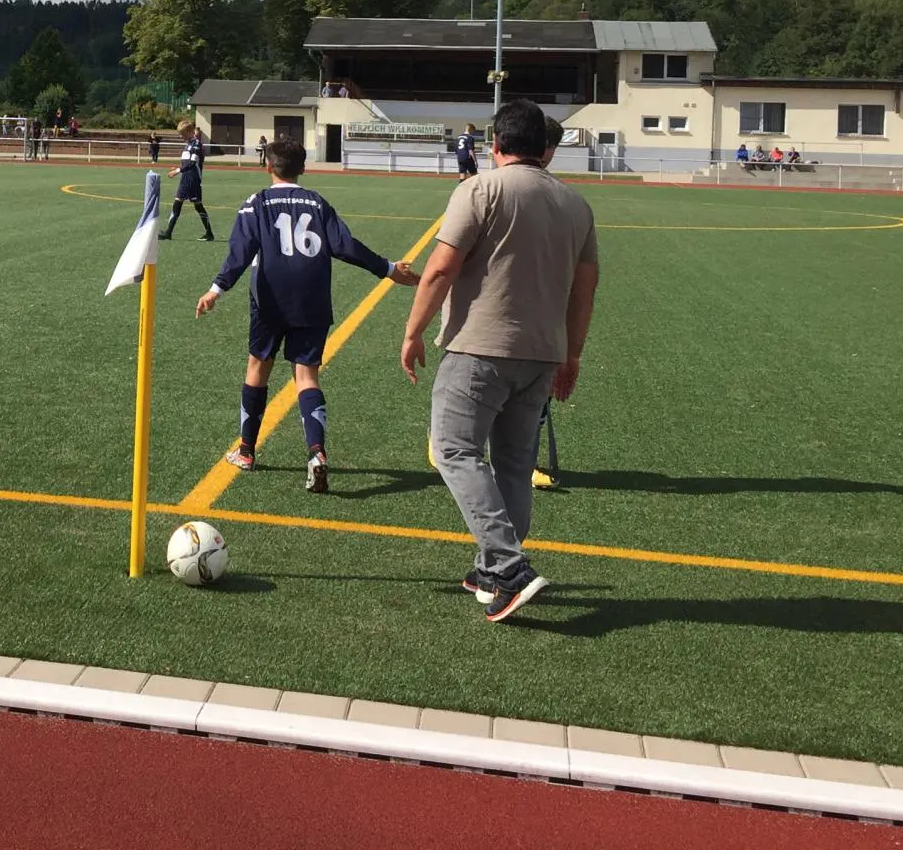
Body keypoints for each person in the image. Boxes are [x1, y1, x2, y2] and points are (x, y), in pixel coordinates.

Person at [398, 98, 600, 623]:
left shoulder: (480, 189)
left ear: (496, 144)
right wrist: (572, 354)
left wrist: (413, 331)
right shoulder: (576, 204)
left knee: (453, 449)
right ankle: (492, 569)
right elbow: (585, 289)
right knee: (513, 463)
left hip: (480, 347)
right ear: (544, 147)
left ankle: (509, 567)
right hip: (542, 353)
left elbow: (441, 268)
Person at [196, 138, 419, 492]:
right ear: (303, 168)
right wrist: (388, 268)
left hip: (269, 298)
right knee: (306, 375)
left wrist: (216, 289)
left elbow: (241, 251)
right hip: (312, 299)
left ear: (268, 167)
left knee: (258, 366)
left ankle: (246, 451)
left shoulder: (257, 203)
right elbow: (345, 246)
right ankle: (316, 453)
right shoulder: (317, 202)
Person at [160, 122, 214, 240]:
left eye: (183, 134)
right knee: (179, 203)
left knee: (196, 205)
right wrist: (178, 168)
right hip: (185, 179)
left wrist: (177, 170)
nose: (181, 136)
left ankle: (209, 233)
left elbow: (193, 163)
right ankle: (168, 233)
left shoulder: (196, 144)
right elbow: (186, 163)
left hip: (193, 180)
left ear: (190, 132)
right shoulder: (188, 144)